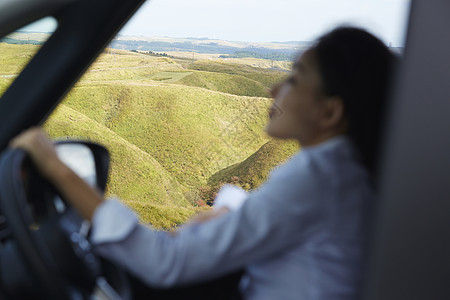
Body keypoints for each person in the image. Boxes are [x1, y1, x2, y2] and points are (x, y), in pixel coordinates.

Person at [10, 27, 396, 299]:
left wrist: (56, 168)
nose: (273, 88)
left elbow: (165, 263)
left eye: (295, 78)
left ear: (330, 112)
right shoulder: (343, 172)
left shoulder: (317, 174)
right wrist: (229, 208)